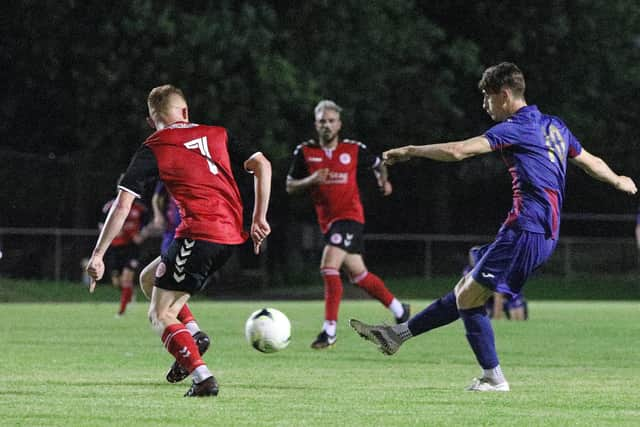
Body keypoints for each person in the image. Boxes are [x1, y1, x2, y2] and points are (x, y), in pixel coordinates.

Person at [349, 62, 637, 391]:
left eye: (487, 98)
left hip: (526, 230)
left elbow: (458, 151)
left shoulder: (516, 127)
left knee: (469, 299)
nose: (485, 105)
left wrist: (411, 151)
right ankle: (396, 335)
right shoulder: (554, 127)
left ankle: (493, 377)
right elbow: (590, 162)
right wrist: (619, 180)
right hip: (540, 232)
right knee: (465, 291)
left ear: (504, 95)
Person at [86, 84, 272, 397]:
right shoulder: (219, 134)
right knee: (148, 279)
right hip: (230, 236)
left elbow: (122, 204)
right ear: (185, 111)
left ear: (151, 120)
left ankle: (203, 378)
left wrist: (98, 255)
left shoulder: (155, 145)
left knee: (160, 314)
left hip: (199, 235)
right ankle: (194, 336)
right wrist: (259, 218)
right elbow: (262, 164)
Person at [286, 100, 410, 350]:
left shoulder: (353, 149)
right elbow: (290, 185)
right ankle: (400, 309)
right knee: (358, 275)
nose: (327, 125)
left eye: (331, 121)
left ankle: (329, 331)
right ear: (316, 124)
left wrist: (383, 182)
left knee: (328, 267)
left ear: (339, 124)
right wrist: (311, 179)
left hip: (350, 217)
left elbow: (378, 164)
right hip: (328, 223)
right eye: (322, 121)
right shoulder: (305, 152)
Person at [100, 192, 146, 317]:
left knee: (127, 278)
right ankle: (130, 293)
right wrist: (112, 232)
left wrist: (142, 235)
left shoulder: (139, 209)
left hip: (131, 248)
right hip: (115, 248)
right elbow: (101, 225)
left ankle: (121, 311)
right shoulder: (111, 206)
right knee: (117, 282)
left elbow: (147, 224)